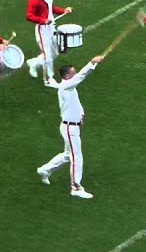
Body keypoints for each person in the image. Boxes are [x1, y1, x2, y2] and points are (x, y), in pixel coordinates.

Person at [37, 55, 105, 199]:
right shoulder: (65, 85)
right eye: (72, 73)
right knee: (76, 157)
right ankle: (75, 187)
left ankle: (44, 170)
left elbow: (75, 102)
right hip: (69, 128)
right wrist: (92, 62)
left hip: (72, 126)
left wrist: (81, 114)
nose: (75, 75)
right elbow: (81, 76)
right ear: (67, 76)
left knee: (68, 155)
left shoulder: (70, 87)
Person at [26, 0, 72, 87]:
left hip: (51, 28)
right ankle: (48, 79)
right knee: (48, 56)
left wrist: (63, 10)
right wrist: (43, 20)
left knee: (55, 53)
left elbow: (51, 8)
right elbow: (29, 16)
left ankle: (34, 63)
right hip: (42, 30)